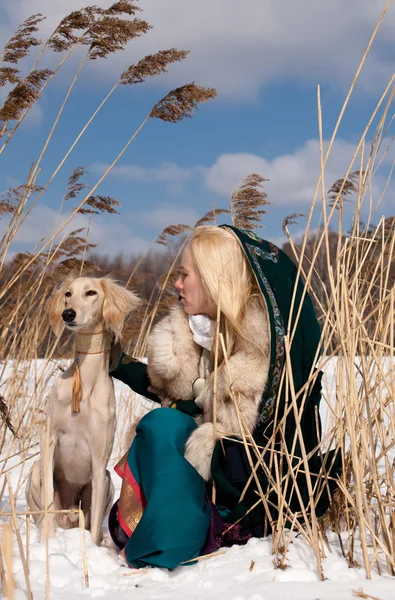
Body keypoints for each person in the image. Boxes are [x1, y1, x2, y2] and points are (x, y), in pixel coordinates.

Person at [108, 225, 341, 570]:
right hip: (212, 479)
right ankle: (164, 523)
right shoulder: (201, 333)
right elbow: (179, 393)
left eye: (186, 275)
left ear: (215, 279)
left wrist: (176, 415)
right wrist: (118, 362)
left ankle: (172, 538)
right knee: (163, 427)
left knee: (163, 424)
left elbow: (223, 426)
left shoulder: (262, 352)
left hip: (245, 494)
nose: (177, 284)